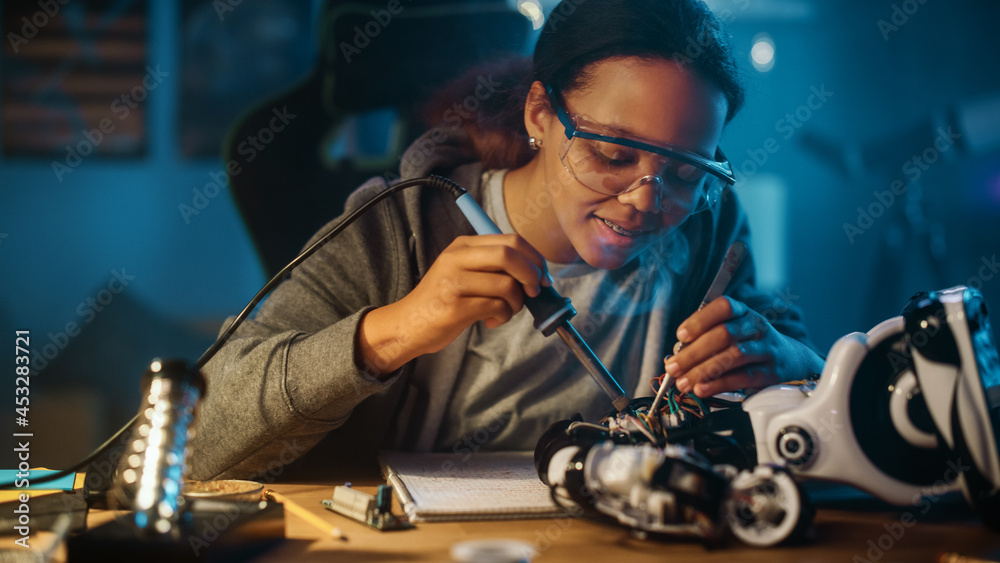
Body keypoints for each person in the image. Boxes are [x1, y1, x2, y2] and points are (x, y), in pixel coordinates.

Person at [186, 0, 825, 481]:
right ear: (541, 114)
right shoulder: (397, 227)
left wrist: (791, 365)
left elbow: (812, 379)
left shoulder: (711, 228)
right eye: (610, 154)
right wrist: (396, 329)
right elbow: (196, 438)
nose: (647, 203)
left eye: (687, 172)